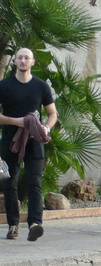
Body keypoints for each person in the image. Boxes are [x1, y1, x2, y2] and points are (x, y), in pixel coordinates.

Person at [0, 48, 58, 242]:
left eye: (27, 58)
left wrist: (46, 128)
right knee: (10, 183)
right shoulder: (4, 86)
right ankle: (13, 225)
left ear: (33, 62)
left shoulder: (41, 86)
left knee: (35, 182)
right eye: (20, 58)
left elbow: (52, 113)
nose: (23, 60)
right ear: (15, 62)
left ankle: (35, 224)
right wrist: (17, 122)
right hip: (10, 141)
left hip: (34, 141)